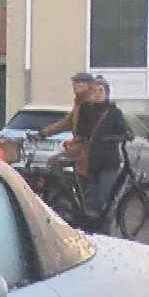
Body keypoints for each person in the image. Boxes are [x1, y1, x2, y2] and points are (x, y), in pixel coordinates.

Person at [41, 72, 129, 218]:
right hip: (88, 153)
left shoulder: (104, 109)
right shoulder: (83, 106)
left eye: (79, 84)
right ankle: (69, 196)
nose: (75, 88)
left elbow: (119, 129)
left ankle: (67, 196)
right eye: (74, 84)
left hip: (89, 151)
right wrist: (45, 132)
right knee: (92, 197)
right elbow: (70, 123)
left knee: (102, 198)